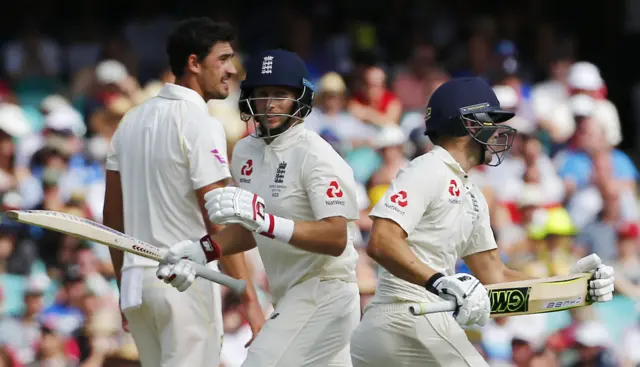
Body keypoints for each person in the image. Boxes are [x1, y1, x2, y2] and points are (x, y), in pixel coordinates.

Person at [346, 77, 616, 366]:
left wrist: (572, 288)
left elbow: (496, 279)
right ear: (470, 124)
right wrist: (440, 282)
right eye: (493, 122)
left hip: (407, 325)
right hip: (408, 318)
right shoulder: (428, 168)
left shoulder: (472, 194)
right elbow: (381, 241)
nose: (499, 132)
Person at [157, 49, 361, 367]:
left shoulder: (317, 155)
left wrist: (265, 222)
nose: (270, 104)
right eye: (262, 94)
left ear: (301, 98)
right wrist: (202, 250)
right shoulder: (245, 152)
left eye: (280, 94)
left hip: (326, 293)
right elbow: (250, 230)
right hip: (287, 294)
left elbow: (336, 239)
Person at [102, 18, 264, 367]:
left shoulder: (129, 121)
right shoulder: (200, 123)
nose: (232, 70)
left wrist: (124, 287)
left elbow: (111, 219)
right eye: (223, 59)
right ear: (194, 63)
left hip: (137, 286)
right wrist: (250, 300)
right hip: (184, 286)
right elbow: (220, 222)